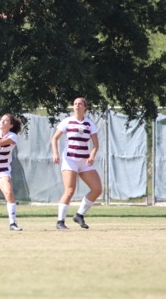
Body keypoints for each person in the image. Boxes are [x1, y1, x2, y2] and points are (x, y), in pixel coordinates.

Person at [51, 97, 102, 230]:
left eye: (80, 104)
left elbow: (96, 145)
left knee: (97, 189)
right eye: (74, 104)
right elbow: (54, 138)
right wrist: (55, 153)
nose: (77, 106)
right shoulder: (67, 121)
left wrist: (92, 156)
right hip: (70, 160)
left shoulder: (89, 124)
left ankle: (79, 215)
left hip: (84, 161)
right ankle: (60, 222)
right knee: (70, 190)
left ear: (85, 107)